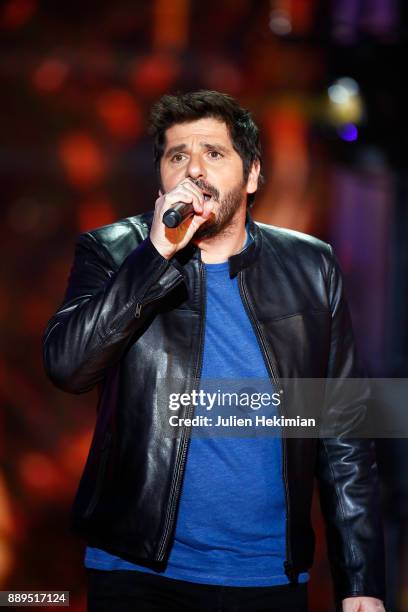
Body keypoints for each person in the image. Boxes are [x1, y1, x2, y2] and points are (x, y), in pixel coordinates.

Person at [42, 90, 386, 612]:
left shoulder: (312, 268)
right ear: (159, 175)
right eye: (177, 155)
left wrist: (361, 581)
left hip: (267, 575)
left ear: (251, 176)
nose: (193, 170)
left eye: (214, 154)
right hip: (138, 573)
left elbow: (344, 434)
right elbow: (68, 366)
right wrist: (155, 255)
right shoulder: (114, 253)